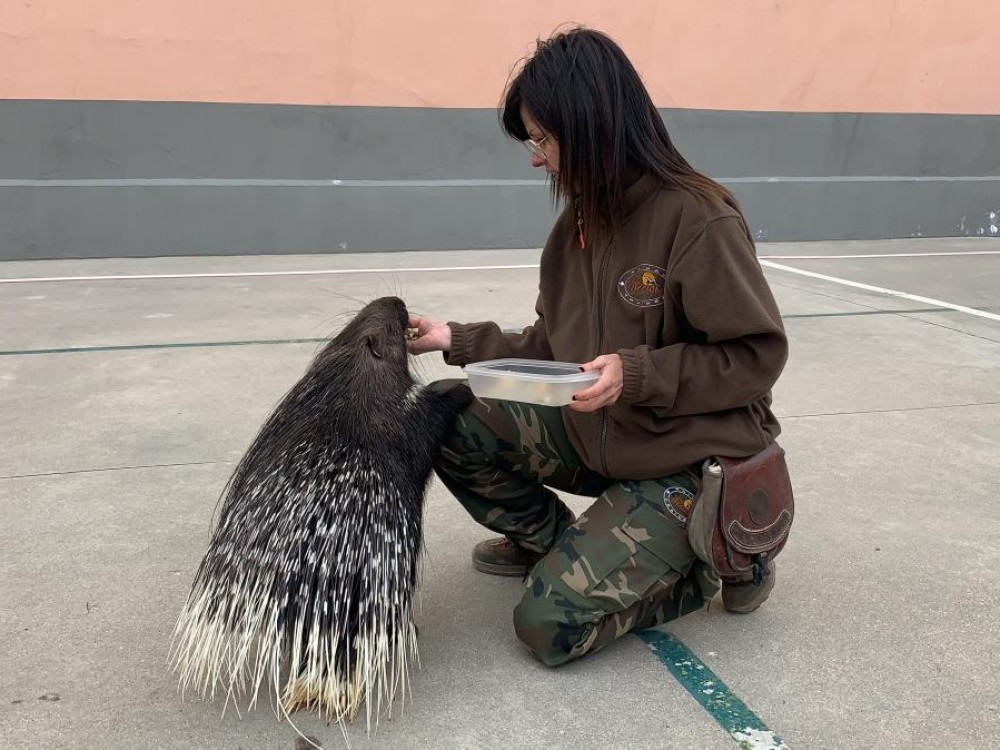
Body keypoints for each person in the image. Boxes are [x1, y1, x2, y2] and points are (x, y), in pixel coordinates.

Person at [406, 27, 789, 668]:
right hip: (606, 436)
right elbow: (551, 346)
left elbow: (756, 357)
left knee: (547, 626)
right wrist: (455, 339)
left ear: (591, 127)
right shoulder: (576, 227)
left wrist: (637, 374)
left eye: (542, 139)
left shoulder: (698, 218)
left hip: (688, 459)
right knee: (446, 414)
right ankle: (555, 545)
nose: (536, 160)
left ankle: (719, 560)